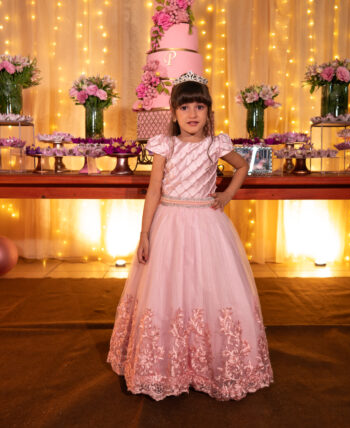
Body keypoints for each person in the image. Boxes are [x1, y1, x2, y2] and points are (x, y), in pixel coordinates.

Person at [107, 72, 273, 401]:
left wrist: (226, 196)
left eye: (199, 106)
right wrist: (144, 233)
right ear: (173, 113)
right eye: (184, 108)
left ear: (209, 112)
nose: (192, 114)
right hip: (168, 223)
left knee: (207, 288)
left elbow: (242, 167)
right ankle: (167, 366)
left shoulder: (215, 144)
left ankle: (208, 364)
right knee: (166, 289)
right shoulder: (165, 145)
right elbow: (154, 190)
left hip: (206, 225)